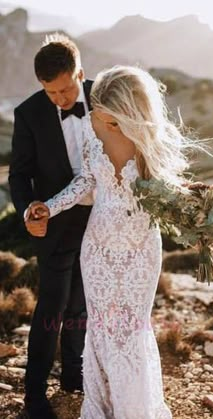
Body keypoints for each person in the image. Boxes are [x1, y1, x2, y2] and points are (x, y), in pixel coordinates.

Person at [27, 65, 186, 418]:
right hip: (97, 246)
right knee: (99, 329)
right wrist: (47, 208)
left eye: (113, 121)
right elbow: (85, 181)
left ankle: (134, 408)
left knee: (131, 331)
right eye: (101, 116)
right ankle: (101, 407)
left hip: (140, 248)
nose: (104, 124)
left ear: (133, 113)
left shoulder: (150, 139)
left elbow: (168, 192)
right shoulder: (90, 125)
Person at [9, 33, 93, 419]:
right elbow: (19, 175)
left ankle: (74, 376)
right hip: (53, 221)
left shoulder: (104, 95)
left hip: (101, 219)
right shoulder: (28, 113)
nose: (59, 99)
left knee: (83, 302)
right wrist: (28, 213)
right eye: (50, 92)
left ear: (80, 73)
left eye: (65, 90)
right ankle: (35, 395)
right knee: (52, 307)